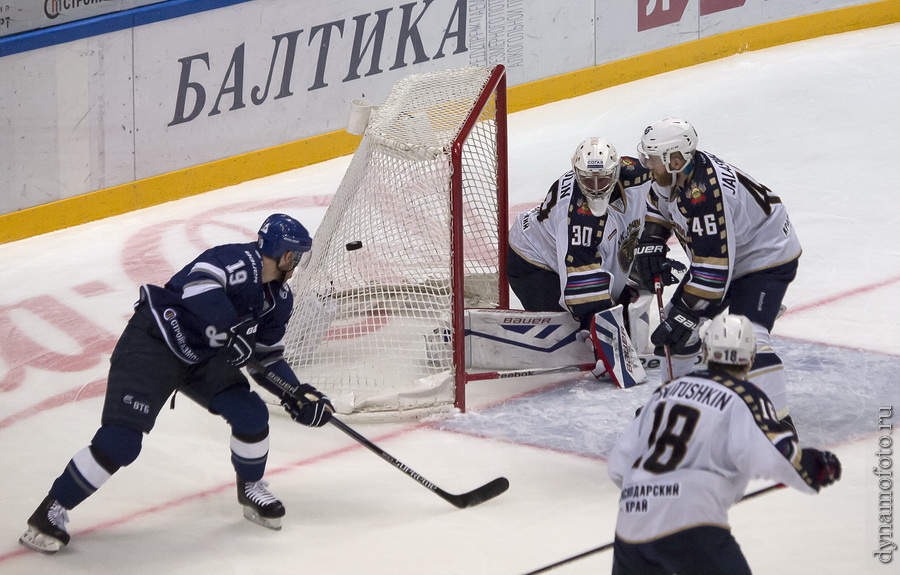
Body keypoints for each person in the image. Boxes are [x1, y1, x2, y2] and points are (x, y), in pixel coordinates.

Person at [19, 214, 335, 555]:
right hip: (154, 343)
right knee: (122, 441)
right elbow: (198, 286)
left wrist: (295, 392)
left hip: (201, 358)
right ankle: (49, 512)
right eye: (297, 257)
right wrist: (229, 328)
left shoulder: (280, 300)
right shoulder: (237, 260)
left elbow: (267, 358)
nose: (298, 264)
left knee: (251, 414)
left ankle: (251, 486)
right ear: (288, 256)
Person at [607, 314, 841, 575]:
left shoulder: (665, 392)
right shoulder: (745, 397)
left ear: (706, 352)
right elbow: (777, 454)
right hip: (692, 522)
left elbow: (618, 466)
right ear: (751, 357)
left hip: (632, 521)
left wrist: (650, 499)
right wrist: (815, 466)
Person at [632, 117, 801, 424]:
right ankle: (680, 411)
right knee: (675, 338)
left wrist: (687, 314)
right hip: (725, 255)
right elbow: (659, 205)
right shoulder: (673, 176)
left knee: (748, 339)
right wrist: (652, 240)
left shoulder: (704, 193)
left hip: (764, 258)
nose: (648, 165)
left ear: (676, 158)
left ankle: (778, 423)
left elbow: (713, 276)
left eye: (654, 159)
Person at [507, 136, 654, 343]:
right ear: (577, 173)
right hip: (533, 261)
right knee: (570, 340)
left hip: (567, 249)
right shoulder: (575, 215)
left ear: (615, 171)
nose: (595, 187)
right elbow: (582, 288)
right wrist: (604, 337)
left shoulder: (638, 173)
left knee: (619, 317)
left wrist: (652, 244)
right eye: (587, 179)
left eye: (602, 179)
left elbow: (664, 199)